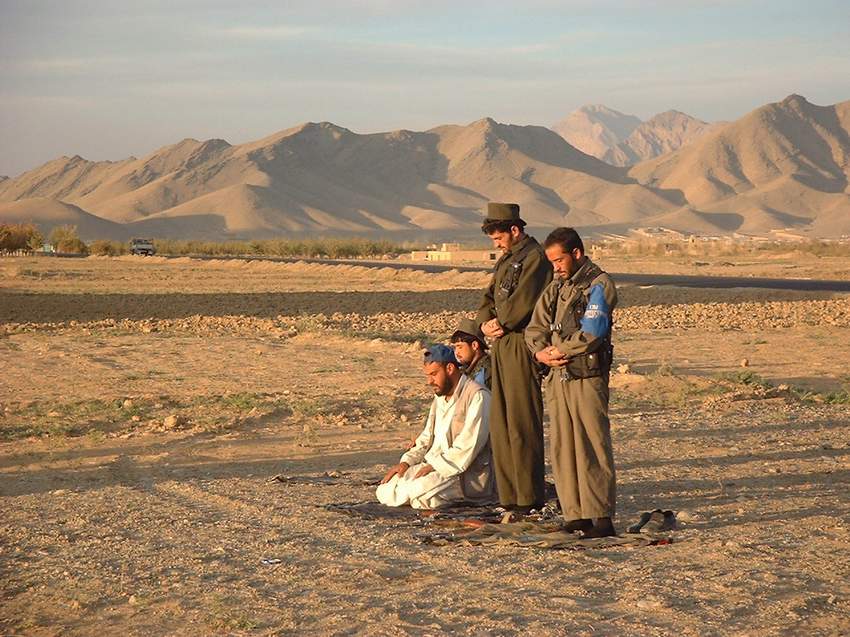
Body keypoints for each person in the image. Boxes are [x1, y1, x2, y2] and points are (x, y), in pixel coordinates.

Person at [525, 227, 618, 538]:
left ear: (576, 253)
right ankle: (575, 514)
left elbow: (592, 331)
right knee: (564, 445)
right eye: (552, 262)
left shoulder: (599, 285)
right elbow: (535, 328)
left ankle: (600, 516)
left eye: (559, 260)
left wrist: (560, 350)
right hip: (557, 378)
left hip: (586, 377)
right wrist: (540, 353)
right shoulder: (556, 288)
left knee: (591, 442)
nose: (556, 267)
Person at [476, 202, 552, 513]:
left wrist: (499, 321)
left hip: (522, 343)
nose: (496, 244)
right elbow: (487, 299)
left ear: (515, 230)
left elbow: (518, 306)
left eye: (499, 237)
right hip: (501, 343)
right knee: (501, 422)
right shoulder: (507, 260)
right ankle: (508, 497)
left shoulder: (535, 258)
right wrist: (485, 323)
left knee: (522, 422)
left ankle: (528, 497)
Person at [376, 345, 495, 509]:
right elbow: (426, 437)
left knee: (419, 492)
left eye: (433, 374)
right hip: (432, 465)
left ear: (450, 368)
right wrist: (407, 462)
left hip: (460, 472)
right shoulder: (440, 397)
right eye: (428, 375)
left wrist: (436, 466)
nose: (429, 381)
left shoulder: (477, 396)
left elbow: (468, 445)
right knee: (386, 490)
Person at [450, 317, 491, 390]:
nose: (456, 352)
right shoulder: (465, 368)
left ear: (474, 345)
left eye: (460, 347)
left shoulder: (488, 370)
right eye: (455, 348)